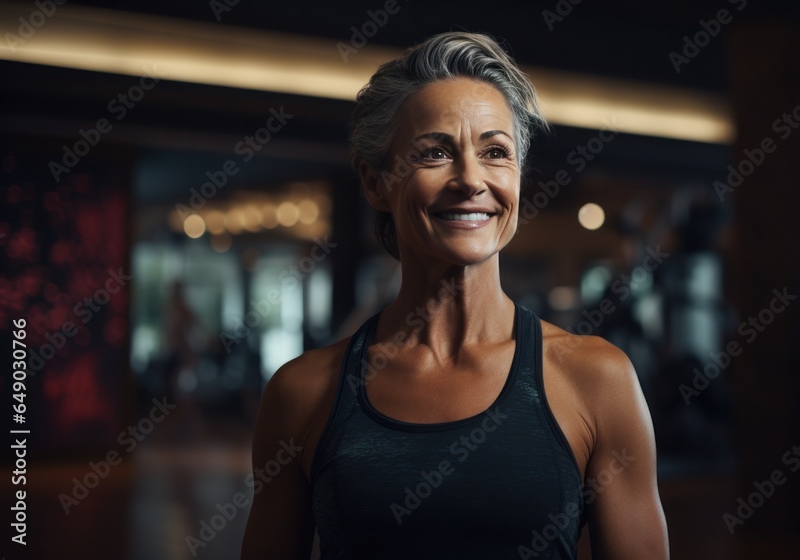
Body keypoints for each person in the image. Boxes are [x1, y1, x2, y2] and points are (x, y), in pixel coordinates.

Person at [241, 31, 668, 559]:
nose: (471, 179)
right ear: (376, 184)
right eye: (435, 152)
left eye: (495, 152)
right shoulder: (302, 393)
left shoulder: (598, 380)